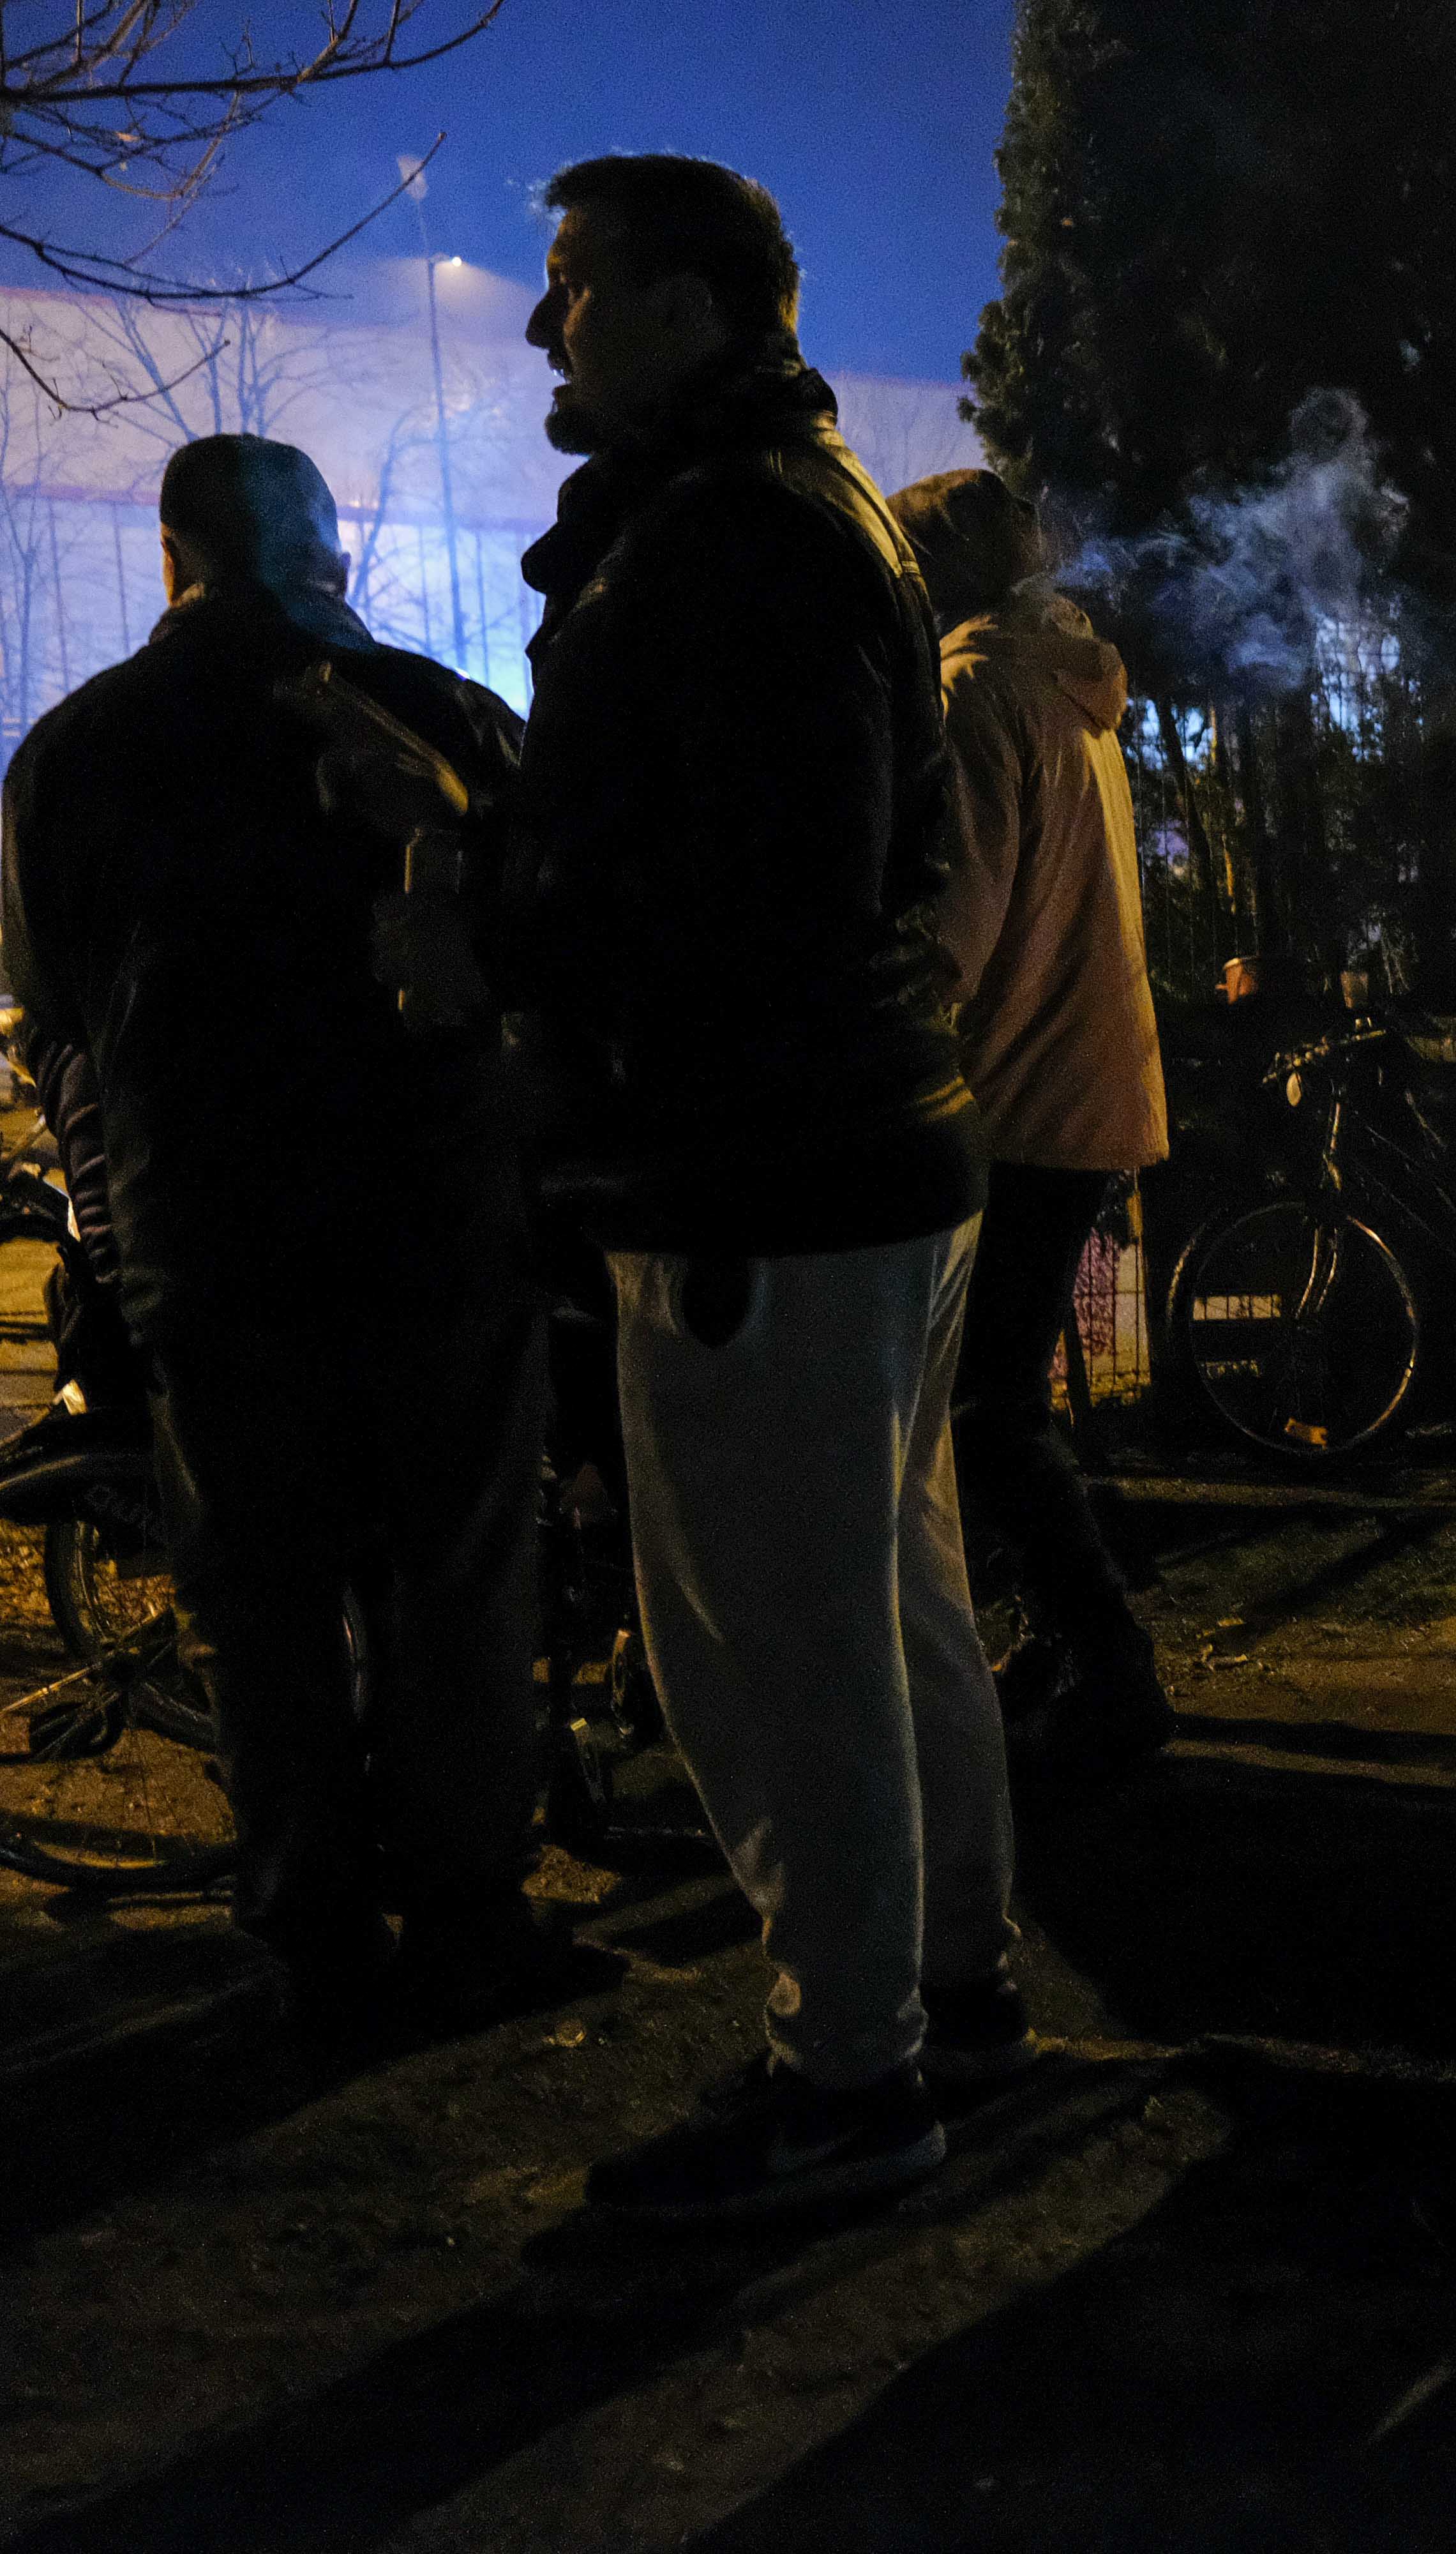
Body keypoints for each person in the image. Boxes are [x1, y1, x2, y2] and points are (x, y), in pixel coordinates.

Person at [400, 155, 1026, 2222]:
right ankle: (949, 1994)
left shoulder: (724, 538)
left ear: (684, 305)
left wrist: (490, 922)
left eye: (571, 283)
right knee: (887, 1604)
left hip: (759, 1173)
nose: (539, 321)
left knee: (774, 1652)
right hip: (866, 1147)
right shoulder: (805, 511)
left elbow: (744, 894)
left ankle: (850, 2078)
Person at [0, 435, 580, 2043]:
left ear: (172, 555)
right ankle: (470, 1908)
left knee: (258, 1596)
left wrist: (116, 1210)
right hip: (436, 1217)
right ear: (331, 556)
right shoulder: (443, 716)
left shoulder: (69, 756)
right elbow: (547, 953)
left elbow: (53, 1021)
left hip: (211, 1234)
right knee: (456, 1573)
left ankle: (314, 1921)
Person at [892, 468, 1176, 1783]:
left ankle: (1104, 1659)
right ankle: (1070, 1647)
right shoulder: (1072, 685)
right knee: (1001, 1400)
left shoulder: (971, 690)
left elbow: (955, 924)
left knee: (980, 1409)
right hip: (1089, 1084)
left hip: (1011, 1095)